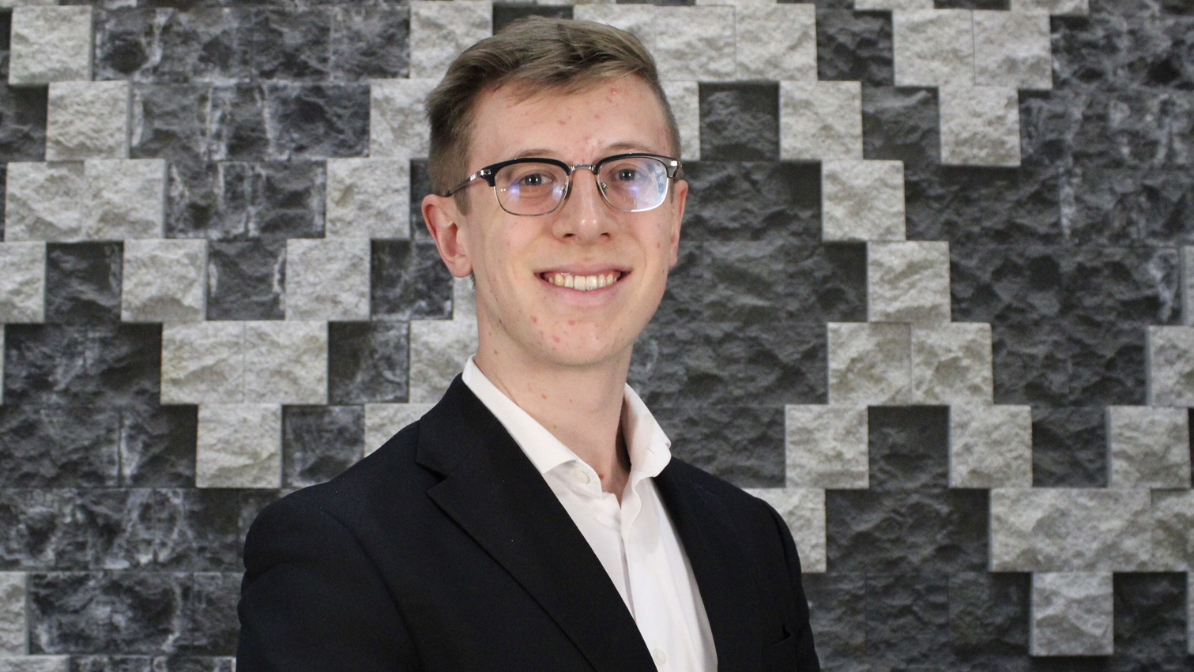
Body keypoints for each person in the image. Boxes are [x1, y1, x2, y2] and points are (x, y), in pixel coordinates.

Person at [236, 17, 819, 672]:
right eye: (532, 179)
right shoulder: (337, 556)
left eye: (627, 173)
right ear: (453, 235)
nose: (588, 222)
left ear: (674, 220)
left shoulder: (752, 541)